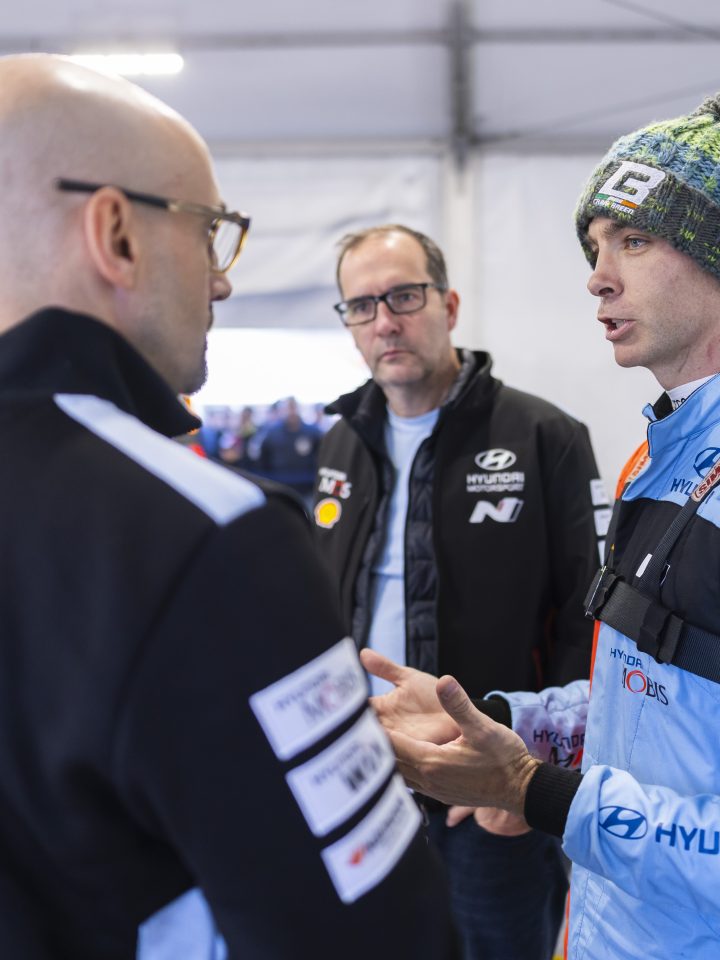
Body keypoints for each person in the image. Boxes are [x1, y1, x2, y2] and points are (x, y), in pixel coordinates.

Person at [0, 54, 459, 959]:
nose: (221, 281)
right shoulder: (211, 537)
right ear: (116, 233)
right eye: (210, 232)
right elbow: (379, 940)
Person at [364, 94, 720, 960]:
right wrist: (500, 722)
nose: (598, 276)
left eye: (634, 240)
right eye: (595, 248)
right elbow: (651, 703)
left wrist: (535, 791)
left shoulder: (559, 437)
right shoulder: (659, 458)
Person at [312, 224, 606, 959]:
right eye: (361, 305)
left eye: (404, 297)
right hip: (367, 778)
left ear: (447, 305)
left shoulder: (544, 435)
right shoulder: (341, 441)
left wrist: (533, 777)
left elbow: (589, 620)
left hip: (487, 787)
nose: (384, 321)